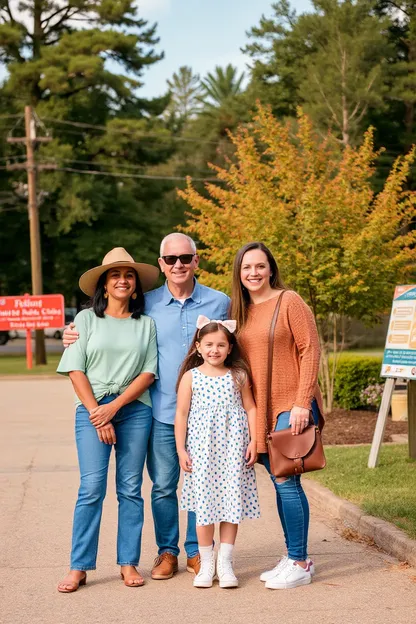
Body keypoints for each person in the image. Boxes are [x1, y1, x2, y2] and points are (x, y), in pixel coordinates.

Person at [63, 233, 230, 579]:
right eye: (171, 260)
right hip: (164, 411)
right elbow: (84, 354)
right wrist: (71, 332)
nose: (179, 264)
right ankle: (166, 552)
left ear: (196, 260)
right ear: (161, 264)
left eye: (185, 258)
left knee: (202, 484)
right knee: (162, 485)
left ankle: (198, 552)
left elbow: (236, 345)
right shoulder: (148, 306)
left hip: (208, 412)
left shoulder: (220, 303)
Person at [57, 247, 159, 592]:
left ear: (135, 285)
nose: (122, 280)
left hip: (133, 410)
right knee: (91, 488)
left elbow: (148, 373)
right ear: (103, 284)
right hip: (91, 409)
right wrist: (98, 414)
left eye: (128, 275)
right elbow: (75, 369)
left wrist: (114, 410)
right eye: (115, 275)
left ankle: (128, 562)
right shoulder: (84, 321)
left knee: (130, 489)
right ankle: (79, 566)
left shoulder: (146, 325)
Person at [230, 241, 324, 590]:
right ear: (239, 274)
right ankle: (293, 555)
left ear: (271, 268)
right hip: (259, 408)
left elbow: (310, 348)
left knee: (287, 479)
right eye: (247, 268)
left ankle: (299, 561)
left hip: (289, 404)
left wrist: (302, 402)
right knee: (278, 480)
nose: (253, 273)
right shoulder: (238, 312)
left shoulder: (289, 301)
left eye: (260, 266)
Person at [175, 315, 260, 588]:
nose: (215, 350)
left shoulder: (239, 375)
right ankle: (206, 562)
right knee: (204, 506)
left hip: (233, 448)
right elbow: (181, 413)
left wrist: (254, 441)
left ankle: (225, 562)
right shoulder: (191, 377)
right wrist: (181, 449)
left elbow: (251, 408)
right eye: (209, 344)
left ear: (230, 348)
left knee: (230, 505)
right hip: (202, 451)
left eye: (221, 345)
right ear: (198, 347)